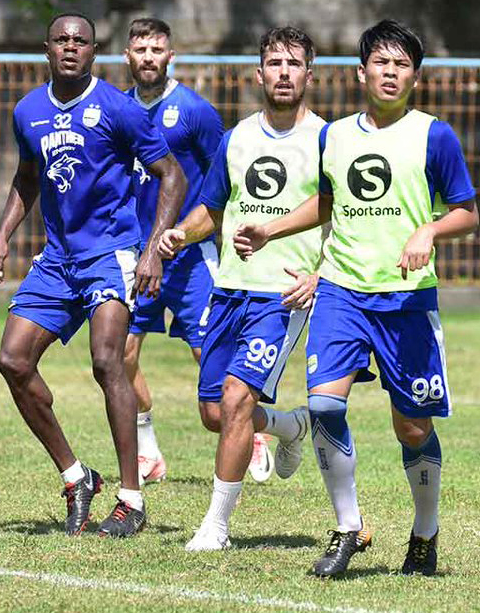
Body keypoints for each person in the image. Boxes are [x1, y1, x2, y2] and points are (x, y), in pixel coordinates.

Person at [233, 20, 479, 577]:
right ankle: (348, 528)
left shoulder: (433, 135)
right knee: (323, 405)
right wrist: (273, 229)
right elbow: (326, 203)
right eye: (382, 63)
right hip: (342, 290)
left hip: (407, 300)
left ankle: (424, 533)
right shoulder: (335, 135)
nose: (391, 73)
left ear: (415, 76)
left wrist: (430, 232)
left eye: (402, 65)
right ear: (361, 71)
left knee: (412, 428)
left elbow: (468, 211)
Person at [0, 12, 186, 537]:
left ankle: (132, 499)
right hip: (57, 259)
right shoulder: (28, 110)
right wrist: (3, 236)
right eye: (62, 40)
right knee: (12, 360)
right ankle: (76, 478)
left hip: (111, 253)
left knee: (106, 361)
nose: (71, 47)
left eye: (81, 41)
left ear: (94, 52)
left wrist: (152, 251)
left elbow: (172, 176)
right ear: (46, 48)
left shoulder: (118, 108)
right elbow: (27, 179)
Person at [159, 25, 322, 552]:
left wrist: (319, 276)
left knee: (234, 399)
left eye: (293, 64)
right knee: (215, 413)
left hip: (282, 294)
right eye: (275, 63)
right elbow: (213, 207)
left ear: (308, 75)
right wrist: (181, 234)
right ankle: (290, 426)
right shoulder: (237, 138)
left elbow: (343, 212)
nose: (283, 73)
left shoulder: (327, 139)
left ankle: (216, 527)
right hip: (228, 287)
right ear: (259, 73)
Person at [121, 17, 225, 484]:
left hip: (188, 258)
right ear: (127, 56)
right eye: (140, 49)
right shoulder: (116, 109)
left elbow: (221, 180)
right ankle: (148, 450)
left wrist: (193, 230)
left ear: (170, 56)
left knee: (210, 357)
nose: (148, 57)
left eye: (156, 49)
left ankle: (251, 432)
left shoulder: (194, 111)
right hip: (134, 256)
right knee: (119, 355)